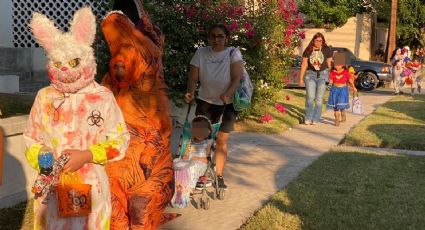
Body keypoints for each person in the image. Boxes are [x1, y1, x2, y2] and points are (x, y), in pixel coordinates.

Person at [24, 7, 130, 229]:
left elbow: (120, 140)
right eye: (58, 64)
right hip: (52, 191)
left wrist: (88, 154)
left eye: (72, 63)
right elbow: (31, 138)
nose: (65, 69)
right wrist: (45, 161)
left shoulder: (102, 97)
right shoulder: (45, 97)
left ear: (85, 59)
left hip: (91, 189)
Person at [101, 10, 174, 229]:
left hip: (147, 153)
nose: (119, 67)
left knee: (141, 208)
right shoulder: (109, 84)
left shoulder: (150, 67)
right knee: (114, 208)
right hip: (118, 153)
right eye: (116, 63)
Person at [184, 23, 244, 190]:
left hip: (227, 104)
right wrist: (190, 92)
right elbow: (193, 78)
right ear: (209, 37)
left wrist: (228, 94)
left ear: (226, 38)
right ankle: (202, 175)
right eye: (213, 36)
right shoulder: (201, 53)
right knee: (201, 140)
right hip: (205, 102)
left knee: (221, 141)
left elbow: (236, 78)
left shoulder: (233, 53)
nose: (216, 39)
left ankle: (218, 175)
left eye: (220, 36)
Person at [298, 33, 333, 125]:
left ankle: (316, 118)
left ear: (323, 41)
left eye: (321, 40)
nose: (319, 42)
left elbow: (329, 64)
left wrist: (331, 76)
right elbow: (304, 65)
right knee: (310, 97)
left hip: (323, 74)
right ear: (313, 41)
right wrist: (301, 79)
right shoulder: (308, 50)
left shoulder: (327, 49)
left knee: (319, 99)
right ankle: (308, 117)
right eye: (317, 40)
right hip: (310, 75)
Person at [182, 116, 214, 190]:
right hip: (188, 163)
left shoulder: (208, 143)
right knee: (176, 165)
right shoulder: (190, 142)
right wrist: (185, 157)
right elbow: (186, 154)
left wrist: (196, 158)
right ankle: (179, 184)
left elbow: (207, 160)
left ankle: (190, 188)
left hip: (201, 166)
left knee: (192, 166)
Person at [327, 53, 357, 126]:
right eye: (335, 65)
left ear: (342, 64)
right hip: (334, 90)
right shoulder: (332, 72)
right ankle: (337, 119)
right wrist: (329, 87)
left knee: (341, 103)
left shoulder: (346, 72)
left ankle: (343, 112)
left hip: (343, 90)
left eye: (338, 65)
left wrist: (353, 87)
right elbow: (331, 81)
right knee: (336, 106)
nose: (336, 66)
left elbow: (350, 80)